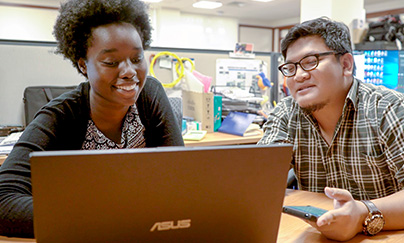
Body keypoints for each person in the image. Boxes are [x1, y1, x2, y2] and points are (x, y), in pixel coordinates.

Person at [0, 0, 184, 238]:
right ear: (83, 65)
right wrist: (96, 218)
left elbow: (180, 180)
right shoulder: (60, 115)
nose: (129, 71)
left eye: (137, 59)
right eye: (111, 62)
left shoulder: (150, 94)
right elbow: (5, 198)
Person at [258, 17, 404, 241]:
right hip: (319, 236)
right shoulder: (287, 113)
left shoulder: (388, 109)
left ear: (346, 64)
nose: (298, 76)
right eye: (290, 67)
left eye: (310, 61)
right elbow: (259, 180)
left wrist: (362, 214)